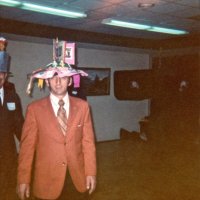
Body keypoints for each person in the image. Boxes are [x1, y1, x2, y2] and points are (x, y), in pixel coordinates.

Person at [17, 42, 97, 200]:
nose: (58, 81)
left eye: (63, 77)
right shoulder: (34, 109)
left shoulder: (83, 107)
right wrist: (23, 179)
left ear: (69, 81)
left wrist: (91, 172)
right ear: (47, 81)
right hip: (47, 181)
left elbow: (88, 143)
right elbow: (27, 147)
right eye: (53, 77)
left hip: (77, 179)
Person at [0, 43, 24, 199]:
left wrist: (32, 144)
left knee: (8, 192)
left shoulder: (12, 97)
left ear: (6, 75)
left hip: (8, 157)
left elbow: (20, 126)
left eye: (1, 72)